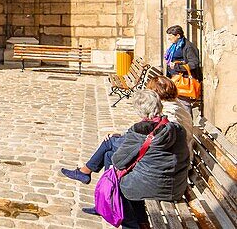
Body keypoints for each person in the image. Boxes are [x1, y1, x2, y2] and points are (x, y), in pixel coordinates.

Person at [61, 89, 190, 229]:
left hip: (155, 187)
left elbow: (118, 161)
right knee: (111, 158)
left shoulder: (140, 130)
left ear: (140, 111)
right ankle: (135, 218)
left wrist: (125, 139)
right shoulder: (176, 128)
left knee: (120, 182)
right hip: (176, 186)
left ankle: (130, 225)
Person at [146, 75, 194, 153]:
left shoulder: (169, 112)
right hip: (176, 154)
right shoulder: (175, 105)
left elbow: (168, 139)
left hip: (174, 157)